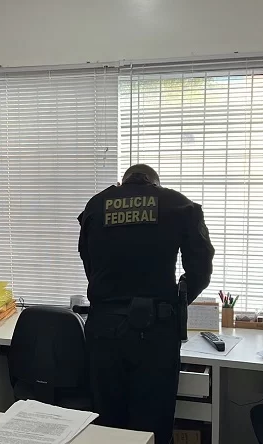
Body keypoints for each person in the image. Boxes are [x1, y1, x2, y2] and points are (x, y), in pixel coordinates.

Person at [77, 164, 214, 444]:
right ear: (155, 184)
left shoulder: (96, 205)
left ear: (124, 182)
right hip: (156, 331)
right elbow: (201, 268)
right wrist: (177, 301)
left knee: (107, 424)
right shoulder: (178, 204)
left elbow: (90, 264)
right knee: (152, 423)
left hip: (103, 330)